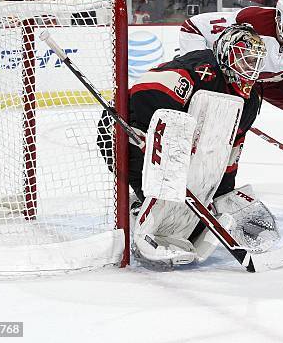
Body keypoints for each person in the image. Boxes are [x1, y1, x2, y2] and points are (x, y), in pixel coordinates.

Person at [113, 24, 271, 266]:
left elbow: (230, 150)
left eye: (255, 61)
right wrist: (167, 144)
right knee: (160, 185)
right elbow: (146, 93)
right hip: (130, 126)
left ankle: (153, 209)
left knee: (186, 201)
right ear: (227, 55)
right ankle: (140, 205)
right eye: (244, 59)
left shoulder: (251, 99)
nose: (250, 68)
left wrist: (221, 192)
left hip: (176, 147)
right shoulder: (201, 68)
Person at [175, 0, 283, 189]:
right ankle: (203, 176)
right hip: (236, 72)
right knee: (221, 121)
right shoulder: (251, 22)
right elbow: (193, 27)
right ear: (280, 19)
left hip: (272, 80)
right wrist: (202, 73)